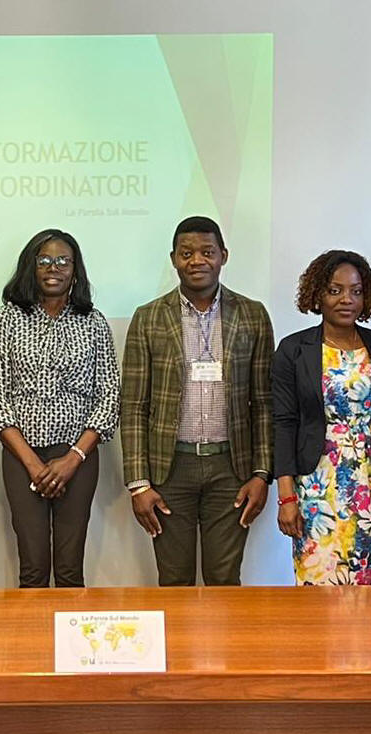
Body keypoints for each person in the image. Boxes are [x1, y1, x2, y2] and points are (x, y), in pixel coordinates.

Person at [119, 215, 274, 586]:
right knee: (174, 581)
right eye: (186, 253)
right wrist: (138, 483)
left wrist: (261, 473)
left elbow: (264, 403)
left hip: (231, 469)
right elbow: (134, 407)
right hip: (169, 470)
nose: (197, 261)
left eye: (207, 252)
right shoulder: (148, 318)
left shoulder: (252, 314)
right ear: (174, 259)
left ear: (223, 256)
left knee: (224, 579)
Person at [0, 229, 120, 587]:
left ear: (75, 270)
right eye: (44, 260)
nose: (53, 267)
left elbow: (109, 396)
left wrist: (72, 458)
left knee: (70, 570)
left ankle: (71, 630)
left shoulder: (93, 322)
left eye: (63, 261)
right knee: (33, 569)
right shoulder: (7, 320)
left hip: (78, 459)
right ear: (31, 266)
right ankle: (32, 629)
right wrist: (32, 464)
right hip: (21, 457)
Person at [270, 250, 371, 585]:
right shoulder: (294, 350)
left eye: (356, 291)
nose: (346, 299)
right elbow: (284, 424)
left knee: (369, 583)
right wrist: (287, 496)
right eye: (335, 290)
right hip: (317, 488)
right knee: (318, 584)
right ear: (317, 294)